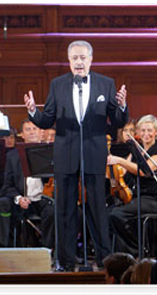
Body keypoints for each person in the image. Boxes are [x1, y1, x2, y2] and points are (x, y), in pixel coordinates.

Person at [24, 40, 129, 269]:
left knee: (98, 209)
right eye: (75, 58)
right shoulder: (57, 84)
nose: (79, 62)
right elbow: (47, 119)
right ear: (69, 61)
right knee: (65, 210)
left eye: (83, 58)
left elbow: (118, 121)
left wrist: (121, 106)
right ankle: (66, 260)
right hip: (65, 154)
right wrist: (33, 111)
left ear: (91, 59)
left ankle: (104, 260)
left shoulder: (106, 84)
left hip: (94, 152)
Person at [108, 114, 157, 256]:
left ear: (156, 132)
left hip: (155, 199)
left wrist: (120, 161)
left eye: (149, 130)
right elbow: (123, 171)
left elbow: (144, 170)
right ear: (138, 132)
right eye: (143, 130)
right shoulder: (137, 150)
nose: (146, 134)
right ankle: (121, 253)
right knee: (109, 213)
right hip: (138, 196)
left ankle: (138, 249)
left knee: (118, 214)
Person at [0, 119, 54, 249]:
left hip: (43, 200)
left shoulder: (49, 152)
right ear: (22, 134)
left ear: (41, 132)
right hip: (21, 200)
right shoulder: (12, 156)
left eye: (34, 129)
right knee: (1, 203)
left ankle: (47, 250)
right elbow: (7, 185)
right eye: (28, 129)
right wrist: (18, 198)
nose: (32, 132)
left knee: (53, 211)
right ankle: (3, 248)